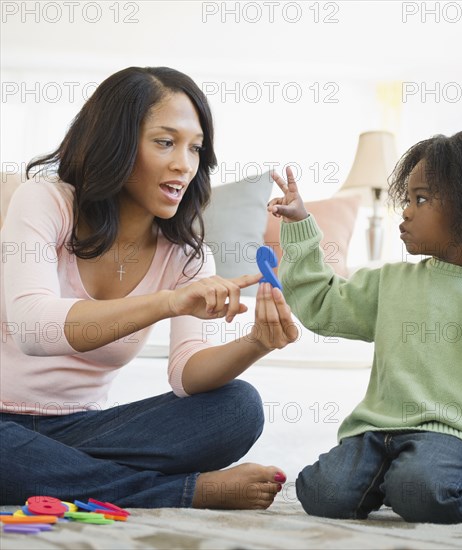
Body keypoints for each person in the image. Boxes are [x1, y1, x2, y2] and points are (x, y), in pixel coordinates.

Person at [0, 66, 298, 509]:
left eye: (195, 148)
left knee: (238, 408)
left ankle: (54, 473)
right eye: (165, 142)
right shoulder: (46, 200)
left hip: (89, 431)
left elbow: (187, 374)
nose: (185, 163)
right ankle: (181, 491)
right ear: (115, 142)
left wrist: (257, 342)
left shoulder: (187, 256)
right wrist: (167, 303)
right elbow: (35, 329)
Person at [267, 129, 462, 526]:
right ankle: (395, 481)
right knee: (321, 492)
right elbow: (322, 304)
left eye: (421, 199)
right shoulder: (391, 282)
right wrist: (300, 225)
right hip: (375, 431)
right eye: (408, 198)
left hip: (461, 439)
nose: (406, 211)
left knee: (423, 489)